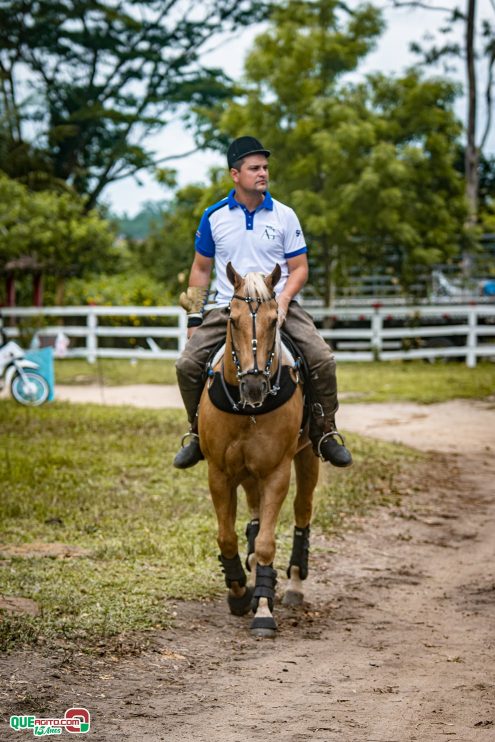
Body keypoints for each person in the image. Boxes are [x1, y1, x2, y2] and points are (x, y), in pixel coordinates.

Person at [173, 135, 352, 469]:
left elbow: (299, 269)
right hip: (230, 307)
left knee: (322, 360)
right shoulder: (213, 217)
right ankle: (196, 432)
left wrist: (283, 301)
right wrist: (194, 319)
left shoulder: (285, 216)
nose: (263, 173)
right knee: (186, 366)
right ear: (235, 175)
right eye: (255, 168)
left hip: (277, 306)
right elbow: (200, 268)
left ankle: (324, 431)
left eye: (265, 167)